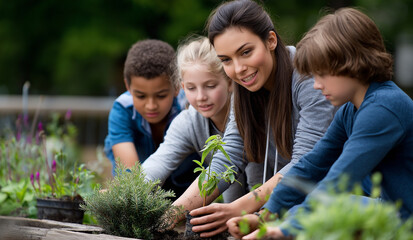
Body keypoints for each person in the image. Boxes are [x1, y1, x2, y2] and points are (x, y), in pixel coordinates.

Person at [227, 7, 413, 239]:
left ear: (351, 63)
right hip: (390, 209)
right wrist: (267, 215)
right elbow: (311, 165)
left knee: (329, 208)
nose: (316, 85)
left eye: (322, 74)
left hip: (405, 218)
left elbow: (341, 177)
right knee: (304, 205)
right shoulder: (349, 110)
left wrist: (284, 230)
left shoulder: (384, 107)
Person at [171, 0, 336, 237]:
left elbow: (305, 163)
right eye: (226, 60)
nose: (238, 69)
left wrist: (236, 208)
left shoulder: (307, 75)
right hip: (285, 209)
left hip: (336, 202)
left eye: (246, 52)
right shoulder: (244, 88)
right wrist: (171, 213)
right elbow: (228, 158)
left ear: (270, 40)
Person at [142, 36, 264, 203]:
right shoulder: (188, 122)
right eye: (191, 88)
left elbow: (253, 173)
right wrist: (126, 191)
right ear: (183, 87)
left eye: (210, 86)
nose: (201, 97)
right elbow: (160, 162)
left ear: (230, 82)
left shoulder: (247, 110)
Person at [103, 39, 193, 197]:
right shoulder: (122, 110)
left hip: (188, 191)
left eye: (161, 96)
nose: (151, 105)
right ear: (128, 86)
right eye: (141, 96)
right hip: (142, 193)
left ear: (178, 86)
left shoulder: (191, 105)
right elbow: (130, 178)